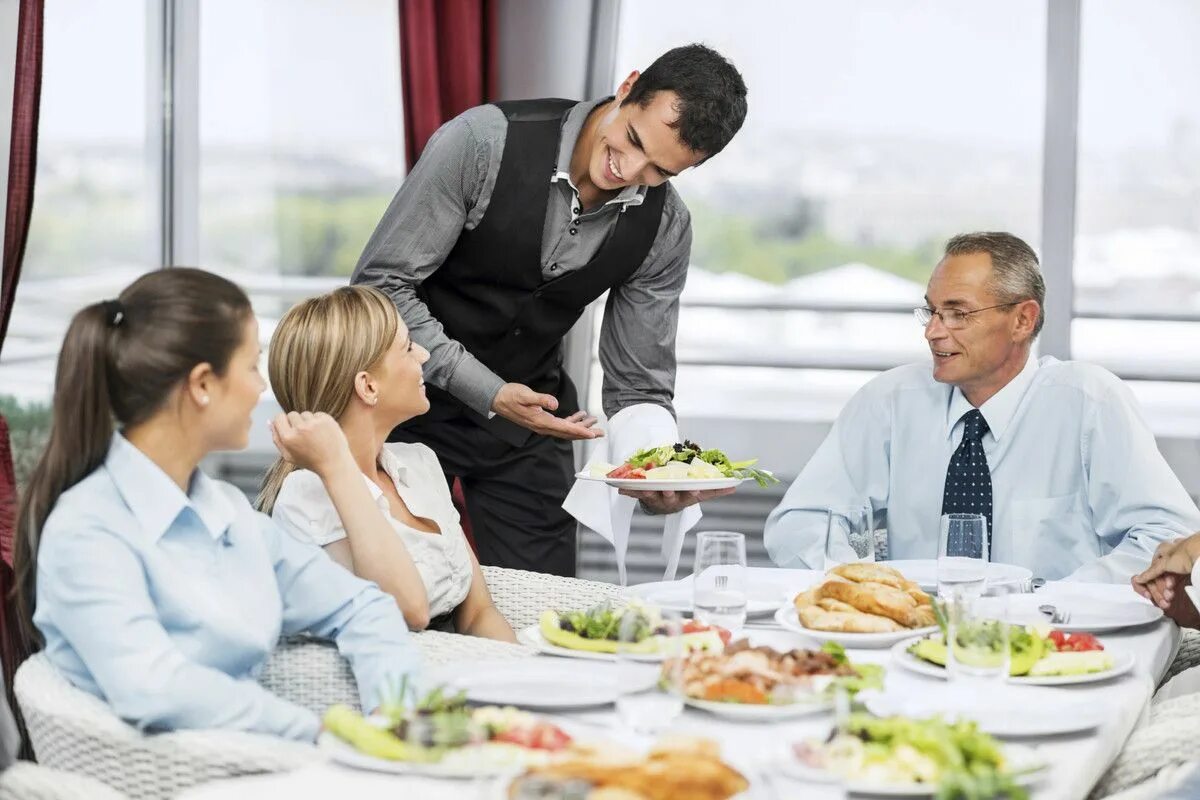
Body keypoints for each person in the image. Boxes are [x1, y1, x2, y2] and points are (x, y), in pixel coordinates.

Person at [352, 44, 748, 576]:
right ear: (628, 86)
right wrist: (486, 391)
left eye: (659, 170)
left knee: (545, 611)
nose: (628, 170)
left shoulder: (665, 227)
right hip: (402, 407)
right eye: (632, 140)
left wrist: (657, 468)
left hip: (531, 426)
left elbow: (639, 385)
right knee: (400, 596)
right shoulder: (481, 144)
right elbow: (380, 288)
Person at [12, 269, 419, 742]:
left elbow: (364, 606)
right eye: (251, 367)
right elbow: (154, 687)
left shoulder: (226, 512)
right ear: (203, 384)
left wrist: (396, 720)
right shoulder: (87, 530)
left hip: (263, 766)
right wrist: (321, 735)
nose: (260, 389)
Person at [764, 232, 1200, 582]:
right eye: (931, 312)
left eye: (958, 314)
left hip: (1058, 642)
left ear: (1023, 320)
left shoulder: (1089, 401)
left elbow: (1167, 535)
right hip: (914, 640)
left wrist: (1058, 604)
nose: (933, 332)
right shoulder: (890, 401)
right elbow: (800, 520)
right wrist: (863, 587)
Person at [258, 286, 516, 641]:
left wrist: (520, 673)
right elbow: (409, 610)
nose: (424, 355)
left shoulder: (420, 463)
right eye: (408, 346)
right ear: (367, 386)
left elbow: (478, 613)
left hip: (470, 677)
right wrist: (336, 467)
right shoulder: (308, 494)